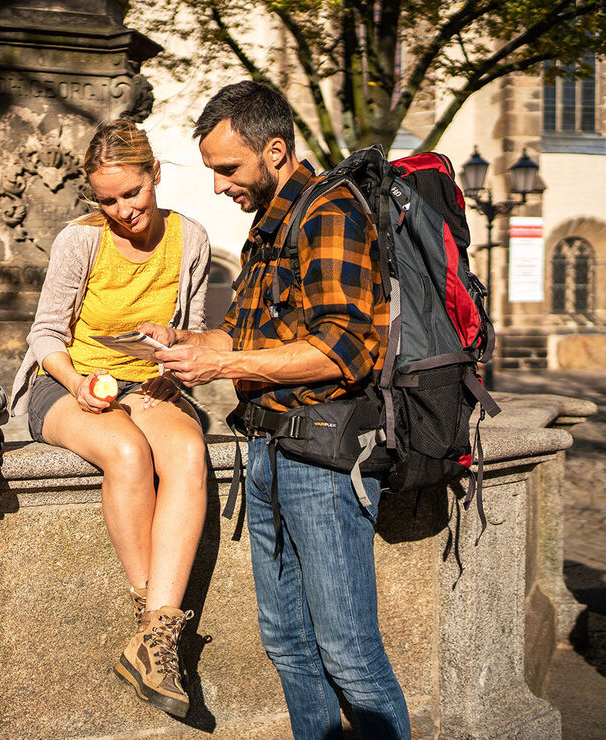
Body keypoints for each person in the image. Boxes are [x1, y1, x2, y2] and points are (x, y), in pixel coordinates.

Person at [143, 82, 411, 738]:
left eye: (227, 169)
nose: (217, 186)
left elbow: (344, 350)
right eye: (210, 171)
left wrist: (222, 365)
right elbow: (245, 334)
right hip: (267, 450)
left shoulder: (329, 212)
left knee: (348, 652)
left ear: (276, 150)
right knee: (288, 644)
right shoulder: (270, 226)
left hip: (323, 457)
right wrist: (190, 344)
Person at [9, 119, 211, 719]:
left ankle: (152, 641)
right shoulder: (81, 240)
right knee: (127, 452)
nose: (122, 209)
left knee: (188, 453)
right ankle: (156, 627)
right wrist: (78, 384)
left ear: (155, 175)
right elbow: (46, 333)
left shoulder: (191, 238)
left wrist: (171, 344)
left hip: (150, 381)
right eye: (107, 199)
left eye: (133, 193)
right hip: (65, 383)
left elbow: (196, 331)